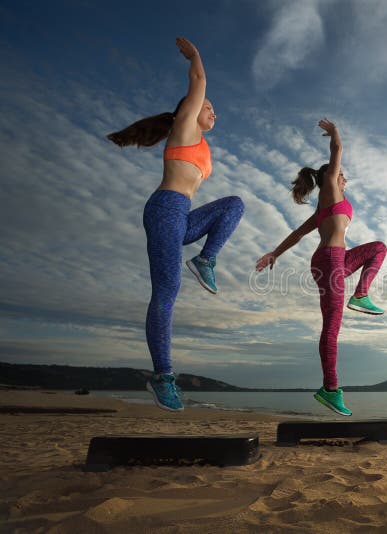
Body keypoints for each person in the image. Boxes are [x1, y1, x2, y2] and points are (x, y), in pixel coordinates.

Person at [107, 37, 245, 411]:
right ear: (191, 109)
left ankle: (205, 260)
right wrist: (196, 57)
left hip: (182, 217)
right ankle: (162, 377)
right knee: (167, 293)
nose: (214, 113)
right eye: (209, 107)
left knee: (234, 204)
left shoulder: (200, 142)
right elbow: (198, 82)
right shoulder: (184, 126)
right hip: (166, 210)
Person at [255, 119, 387, 416]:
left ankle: (361, 294)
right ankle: (329, 389)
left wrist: (275, 252)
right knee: (332, 326)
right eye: (342, 175)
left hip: (335, 259)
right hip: (329, 259)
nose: (345, 180)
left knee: (378, 248)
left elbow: (298, 233)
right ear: (332, 175)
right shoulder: (329, 187)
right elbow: (337, 149)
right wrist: (336, 133)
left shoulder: (326, 205)